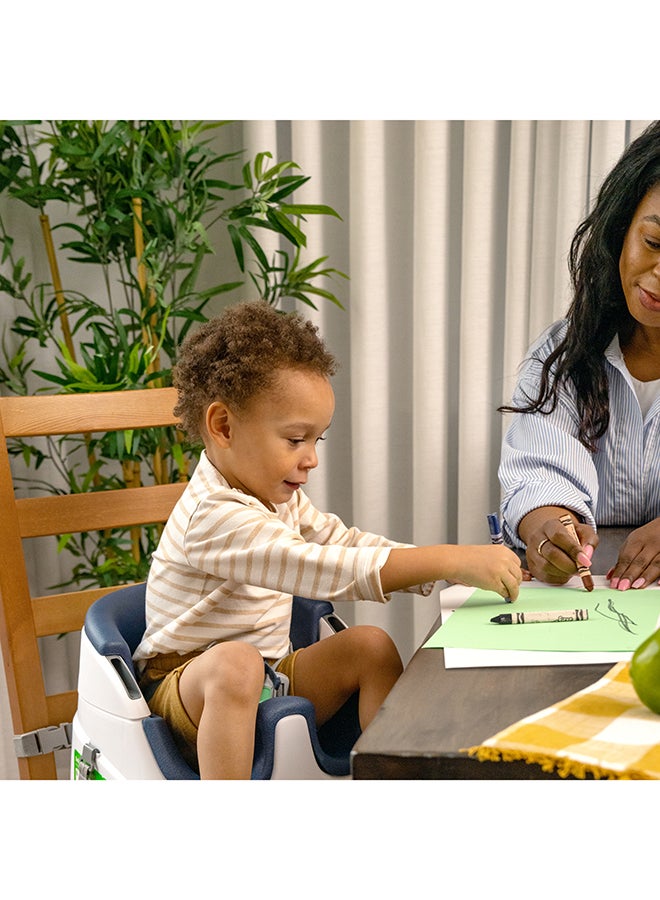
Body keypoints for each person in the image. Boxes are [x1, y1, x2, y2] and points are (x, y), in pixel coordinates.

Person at [133, 300, 523, 779]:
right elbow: (317, 567)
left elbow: (344, 544)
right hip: (187, 696)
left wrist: (450, 566)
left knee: (372, 646)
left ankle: (388, 781)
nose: (311, 459)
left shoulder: (275, 499)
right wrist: (446, 559)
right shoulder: (213, 516)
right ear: (224, 426)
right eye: (296, 439)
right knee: (235, 663)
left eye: (317, 440)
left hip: (271, 675)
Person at [499, 120, 660, 591]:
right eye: (653, 243)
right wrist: (546, 529)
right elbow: (539, 473)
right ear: (620, 227)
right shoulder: (559, 356)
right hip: (583, 598)